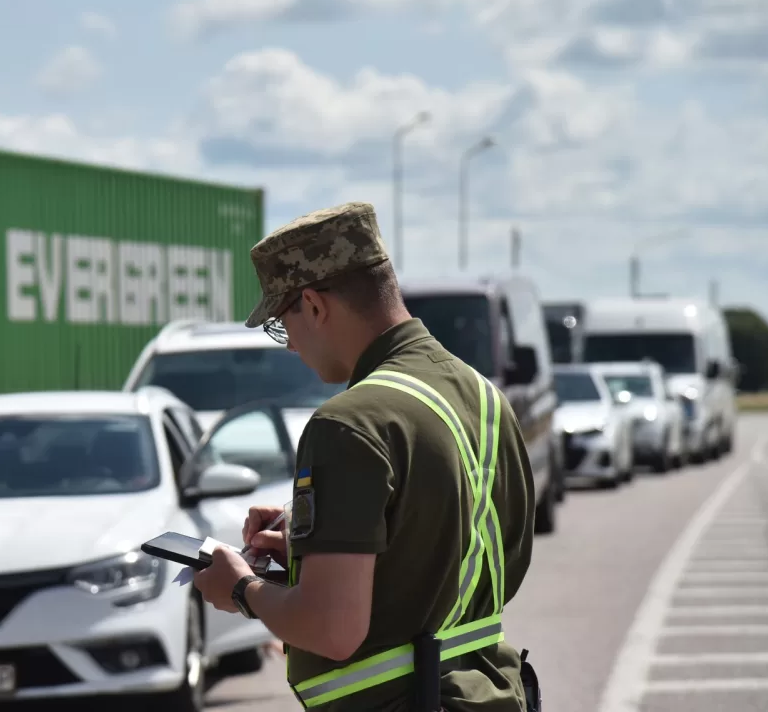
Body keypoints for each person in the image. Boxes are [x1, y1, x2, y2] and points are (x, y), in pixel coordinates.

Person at [192, 202, 539, 711]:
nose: (289, 346)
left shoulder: (348, 423)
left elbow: (331, 630)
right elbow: (457, 571)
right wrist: (317, 551)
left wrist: (241, 588)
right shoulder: (484, 397)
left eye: (281, 324)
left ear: (313, 304)